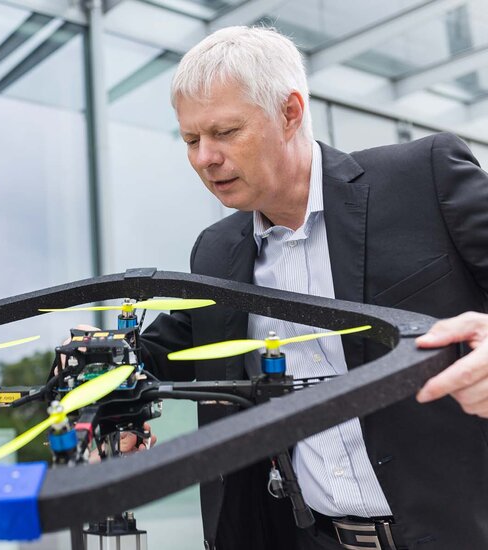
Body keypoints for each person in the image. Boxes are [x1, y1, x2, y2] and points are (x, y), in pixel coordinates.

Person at [138, 26, 488, 550]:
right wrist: (101, 378)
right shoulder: (216, 252)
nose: (203, 158)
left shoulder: (424, 179)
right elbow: (163, 351)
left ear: (290, 112)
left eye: (225, 132)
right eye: (191, 139)